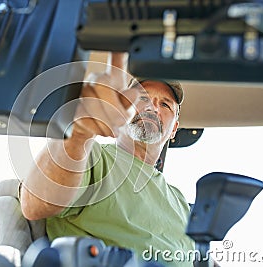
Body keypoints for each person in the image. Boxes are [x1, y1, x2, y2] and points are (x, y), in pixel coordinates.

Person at [19, 52, 195, 266]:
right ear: (124, 107)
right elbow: (34, 204)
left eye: (165, 105)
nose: (153, 107)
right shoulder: (90, 156)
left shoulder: (180, 203)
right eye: (143, 98)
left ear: (174, 129)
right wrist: (80, 130)